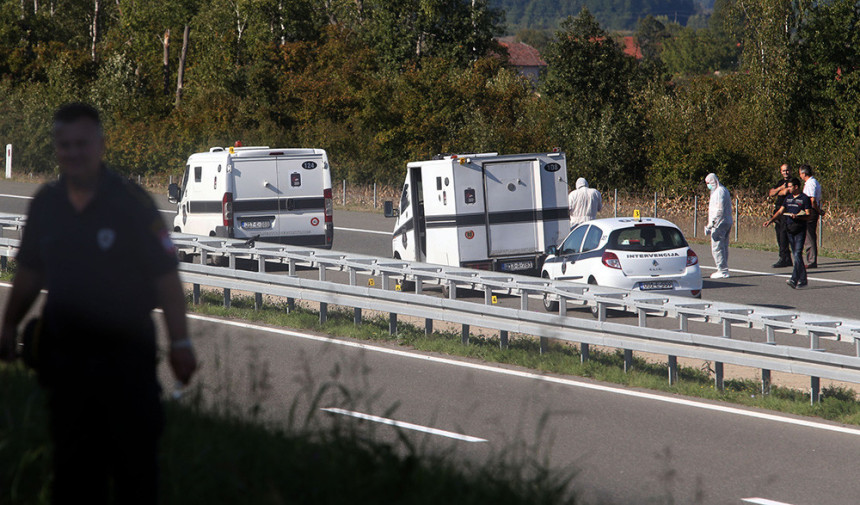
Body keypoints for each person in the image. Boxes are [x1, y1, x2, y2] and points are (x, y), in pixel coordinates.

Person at [0, 103, 197, 505]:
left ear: (101, 145)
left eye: (82, 144)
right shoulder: (46, 204)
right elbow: (31, 275)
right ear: (56, 148)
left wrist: (180, 342)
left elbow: (165, 277)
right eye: (65, 144)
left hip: (126, 364)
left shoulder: (132, 204)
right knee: (73, 478)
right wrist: (8, 326)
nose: (73, 152)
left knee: (135, 477)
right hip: (66, 365)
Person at [764, 177, 812, 288]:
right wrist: (771, 220)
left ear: (796, 187)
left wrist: (799, 216)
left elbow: (809, 215)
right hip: (789, 229)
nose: (788, 189)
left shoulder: (804, 199)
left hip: (799, 229)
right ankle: (803, 280)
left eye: (790, 186)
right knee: (797, 255)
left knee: (797, 254)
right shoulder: (788, 198)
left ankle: (794, 279)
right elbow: (781, 211)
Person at [704, 173, 732, 279]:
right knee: (723, 246)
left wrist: (711, 224)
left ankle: (722, 270)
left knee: (717, 247)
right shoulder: (721, 190)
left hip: (719, 223)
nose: (708, 186)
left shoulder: (719, 192)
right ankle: (723, 269)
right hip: (724, 222)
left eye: (709, 183)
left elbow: (719, 209)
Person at [767, 163, 793, 268]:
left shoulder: (793, 182)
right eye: (783, 171)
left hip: (785, 211)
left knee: (783, 236)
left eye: (787, 170)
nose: (785, 172)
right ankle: (785, 257)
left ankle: (784, 258)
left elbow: (787, 192)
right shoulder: (781, 182)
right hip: (777, 212)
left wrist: (780, 191)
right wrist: (780, 188)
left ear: (790, 170)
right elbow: (771, 193)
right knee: (779, 235)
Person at [799, 164, 823, 268]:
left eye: (800, 173)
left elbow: (812, 200)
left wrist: (818, 210)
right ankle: (810, 259)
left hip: (811, 211)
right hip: (811, 210)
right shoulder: (813, 182)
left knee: (809, 235)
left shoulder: (810, 184)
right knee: (808, 235)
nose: (800, 175)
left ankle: (811, 260)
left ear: (804, 173)